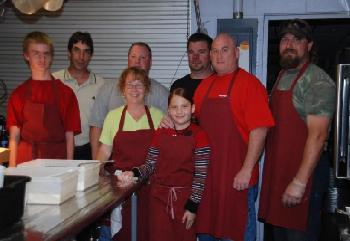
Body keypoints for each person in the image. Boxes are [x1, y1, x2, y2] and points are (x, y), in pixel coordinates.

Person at [258, 19, 336, 241]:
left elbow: (319, 135)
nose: (289, 44)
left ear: (309, 45)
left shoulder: (316, 80)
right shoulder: (282, 76)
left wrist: (300, 182)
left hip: (304, 175)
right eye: (284, 39)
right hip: (280, 173)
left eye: (297, 39)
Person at [194, 33, 275, 241]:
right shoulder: (203, 87)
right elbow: (194, 128)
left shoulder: (250, 85)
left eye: (225, 49)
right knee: (206, 232)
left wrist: (247, 170)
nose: (219, 55)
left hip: (236, 179)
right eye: (214, 50)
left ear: (237, 53)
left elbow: (260, 130)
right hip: (209, 180)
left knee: (236, 232)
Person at [118, 87, 211, 241]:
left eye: (184, 106)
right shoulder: (160, 133)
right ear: (168, 110)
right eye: (174, 107)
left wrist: (192, 207)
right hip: (158, 200)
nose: (179, 111)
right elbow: (150, 165)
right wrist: (133, 173)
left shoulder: (200, 136)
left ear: (193, 108)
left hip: (184, 201)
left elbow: (200, 176)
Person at [97, 67, 163, 241]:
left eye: (139, 84)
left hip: (150, 187)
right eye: (130, 85)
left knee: (149, 232)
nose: (134, 89)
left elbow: (165, 153)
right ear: (122, 90)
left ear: (147, 89)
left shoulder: (158, 117)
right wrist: (96, 174)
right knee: (123, 233)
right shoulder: (113, 117)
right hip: (121, 189)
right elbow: (104, 150)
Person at [6, 31, 81, 167]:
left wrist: (70, 169)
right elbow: (14, 137)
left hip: (57, 162)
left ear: (52, 57)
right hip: (25, 163)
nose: (42, 59)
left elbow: (69, 137)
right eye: (36, 54)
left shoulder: (66, 93)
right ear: (26, 56)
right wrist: (12, 170)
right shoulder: (18, 94)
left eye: (46, 54)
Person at [89, 42, 169, 159]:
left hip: (150, 173)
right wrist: (97, 168)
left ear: (146, 89)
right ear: (123, 90)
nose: (137, 61)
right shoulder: (112, 113)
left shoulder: (160, 107)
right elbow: (102, 144)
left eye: (142, 58)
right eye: (133, 57)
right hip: (118, 172)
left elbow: (167, 146)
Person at [53, 31, 105, 160]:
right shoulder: (54, 80)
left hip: (88, 150)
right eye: (76, 50)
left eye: (86, 52)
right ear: (69, 52)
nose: (81, 57)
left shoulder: (101, 84)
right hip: (59, 148)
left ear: (91, 55)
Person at [170, 32, 213, 99]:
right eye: (191, 52)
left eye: (201, 52)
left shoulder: (220, 83)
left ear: (211, 54)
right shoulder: (178, 86)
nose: (195, 57)